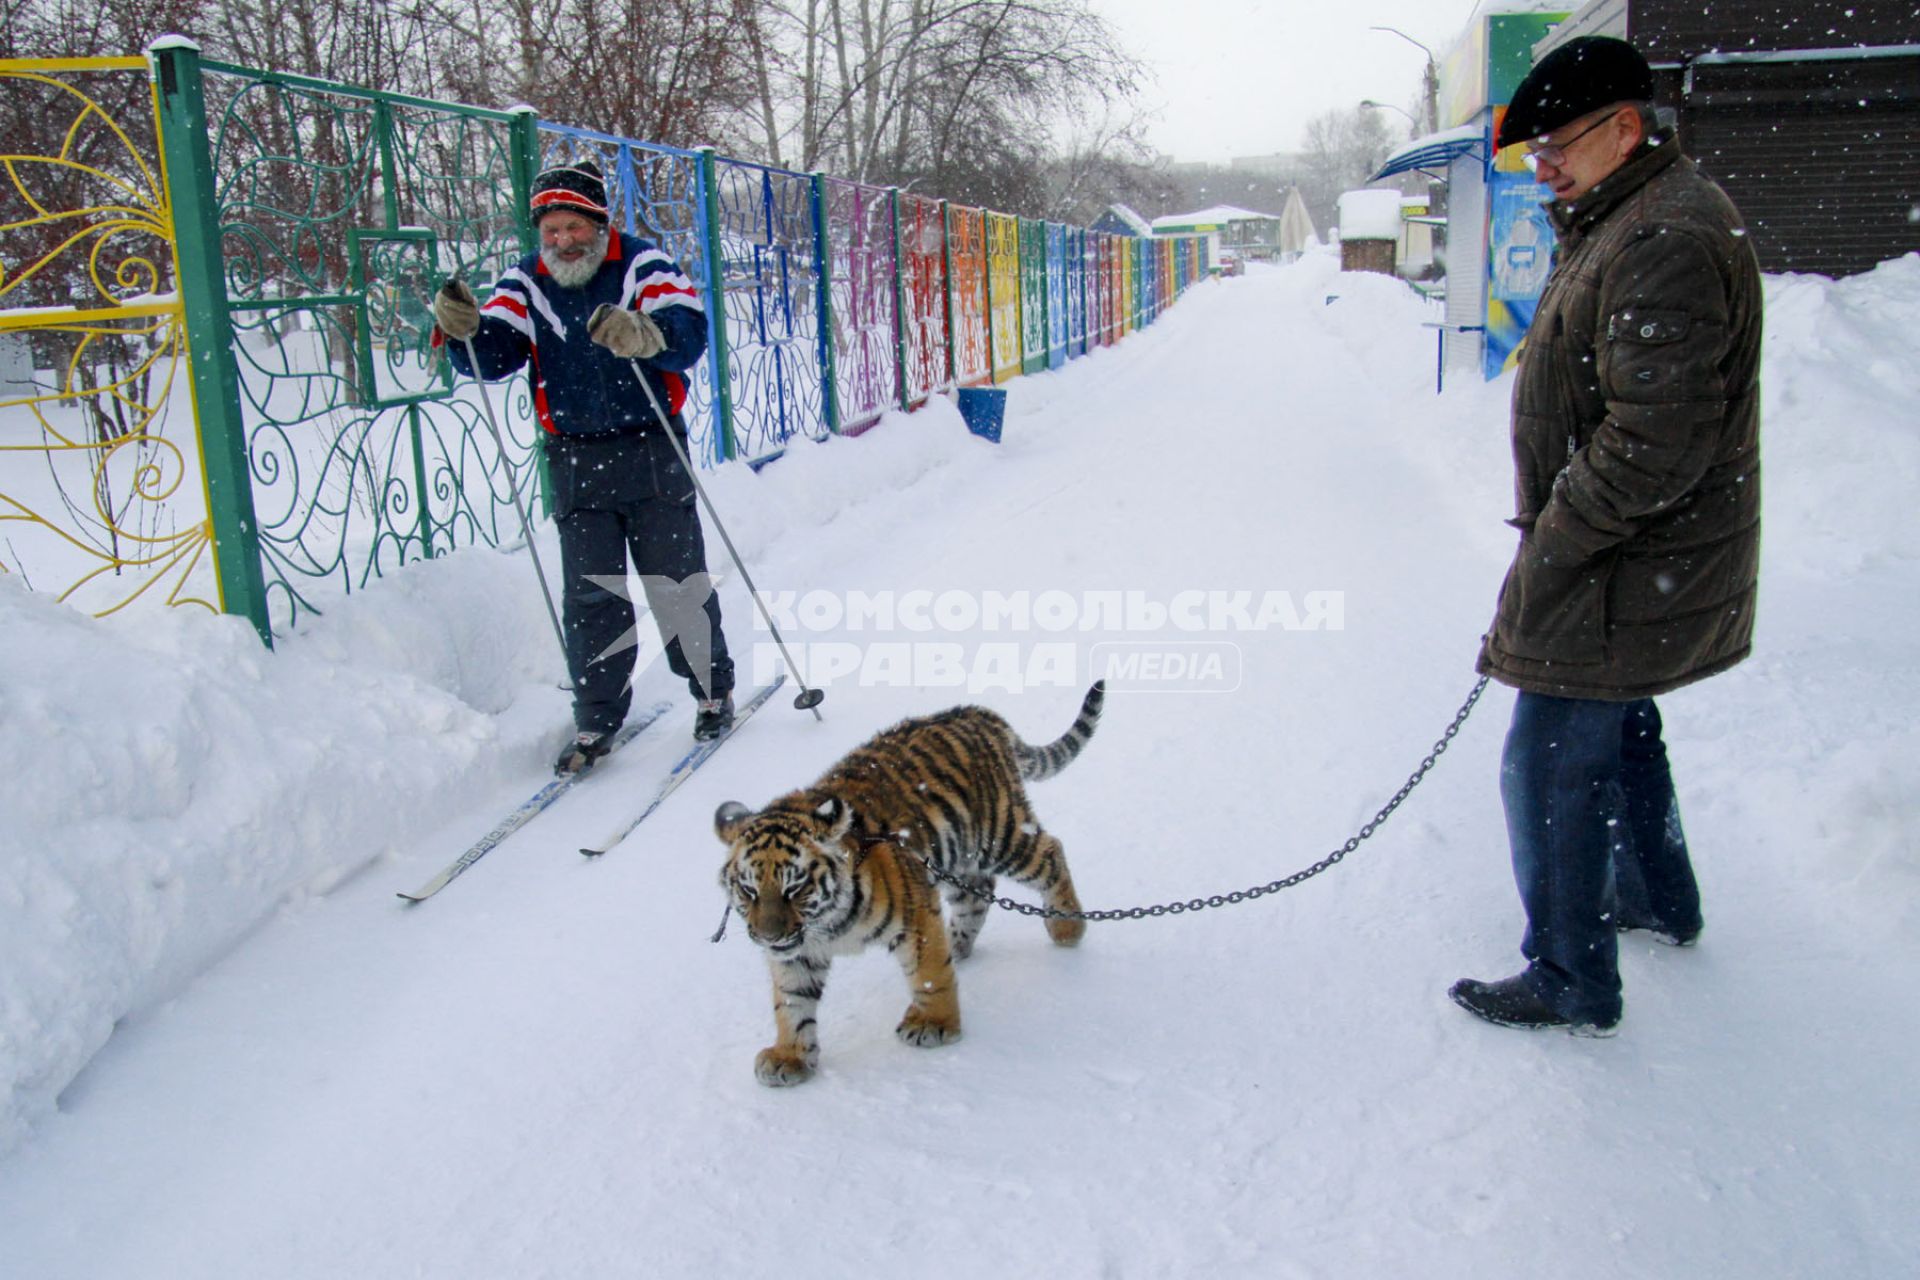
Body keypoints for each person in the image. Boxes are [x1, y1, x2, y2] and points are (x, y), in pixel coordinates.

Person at [1451, 37, 1763, 1036]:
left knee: (1546, 758)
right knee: (1620, 729)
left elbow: (1654, 442)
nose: (1543, 167)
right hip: (1637, 557)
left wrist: (1555, 541)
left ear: (1626, 128)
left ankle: (1571, 975)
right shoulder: (1631, 213)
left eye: (1558, 147)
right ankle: (1656, 896)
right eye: (1534, 153)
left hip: (1622, 558)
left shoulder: (1660, 237)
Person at [433, 160, 736, 771]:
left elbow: (689, 332)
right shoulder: (526, 280)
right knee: (591, 596)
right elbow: (495, 353)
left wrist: (645, 333)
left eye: (573, 226)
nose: (562, 241)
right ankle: (596, 719)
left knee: (675, 582)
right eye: (551, 230)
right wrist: (464, 331)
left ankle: (711, 692)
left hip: (651, 448)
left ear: (598, 222)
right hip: (575, 458)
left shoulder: (641, 265)